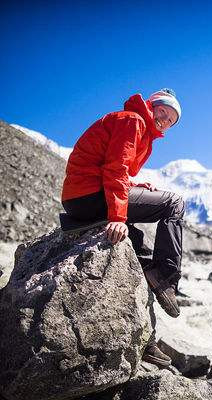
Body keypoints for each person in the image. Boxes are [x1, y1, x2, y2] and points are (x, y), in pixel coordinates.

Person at [61, 88, 184, 367]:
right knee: (174, 203)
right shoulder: (134, 121)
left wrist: (133, 185)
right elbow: (115, 169)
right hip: (90, 196)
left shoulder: (143, 132)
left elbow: (113, 167)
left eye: (171, 120)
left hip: (81, 197)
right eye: (162, 112)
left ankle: (144, 339)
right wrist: (117, 217)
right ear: (150, 106)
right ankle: (168, 280)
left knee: (138, 247)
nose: (164, 120)